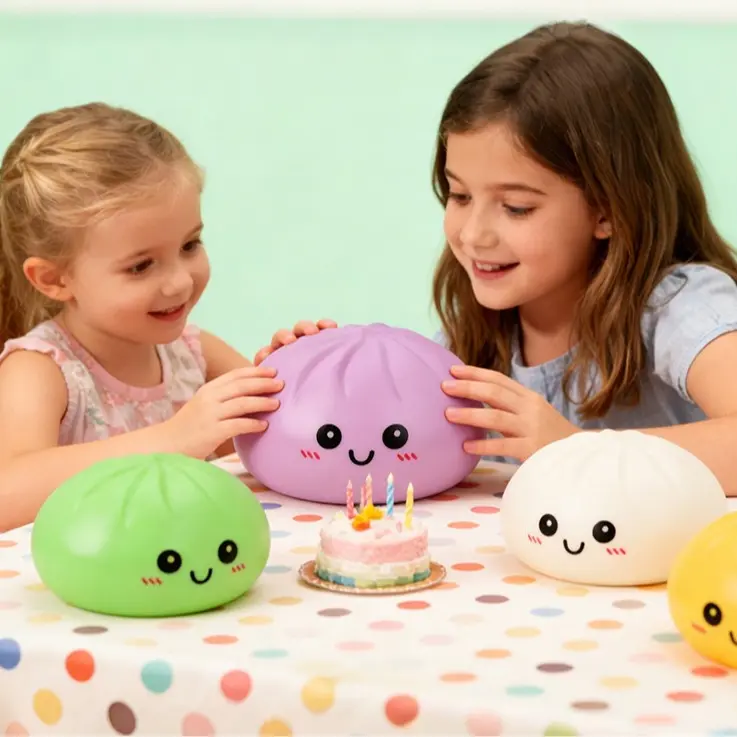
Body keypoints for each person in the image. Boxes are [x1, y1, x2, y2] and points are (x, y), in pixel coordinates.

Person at [257, 22, 737, 495]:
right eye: (460, 195)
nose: (473, 234)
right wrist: (303, 383)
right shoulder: (474, 338)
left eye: (516, 207)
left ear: (608, 209)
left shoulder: (680, 307)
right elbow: (378, 457)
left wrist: (579, 451)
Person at [0, 103, 284, 531]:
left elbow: (280, 443)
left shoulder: (193, 352)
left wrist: (301, 365)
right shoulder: (41, 369)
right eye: (141, 266)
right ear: (55, 279)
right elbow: (6, 495)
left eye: (190, 245)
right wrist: (172, 439)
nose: (179, 282)